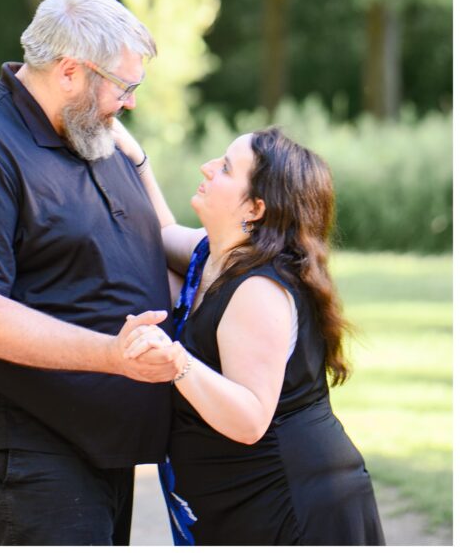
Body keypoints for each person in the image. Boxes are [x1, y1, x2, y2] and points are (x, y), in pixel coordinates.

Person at [0, 0, 183, 545]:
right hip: (20, 443)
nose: (130, 102)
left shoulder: (92, 135)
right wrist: (111, 355)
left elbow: (152, 242)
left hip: (96, 439)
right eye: (124, 86)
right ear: (68, 72)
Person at [111, 122, 385, 545]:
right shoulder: (214, 254)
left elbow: (250, 418)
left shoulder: (259, 289)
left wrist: (177, 362)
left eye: (223, 168)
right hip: (244, 500)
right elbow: (160, 235)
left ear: (255, 208)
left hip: (290, 503)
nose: (206, 168)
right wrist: (138, 160)